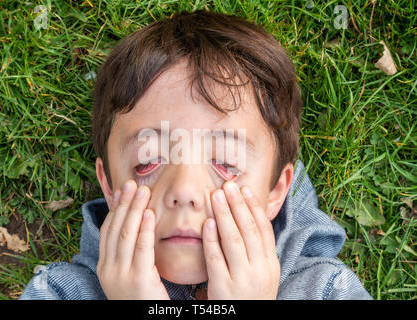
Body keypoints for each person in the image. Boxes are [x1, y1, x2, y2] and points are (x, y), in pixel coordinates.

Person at [20, 10, 372, 300]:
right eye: (147, 161)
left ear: (276, 193)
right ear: (109, 187)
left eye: (226, 163)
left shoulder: (329, 292)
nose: (185, 190)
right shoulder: (56, 293)